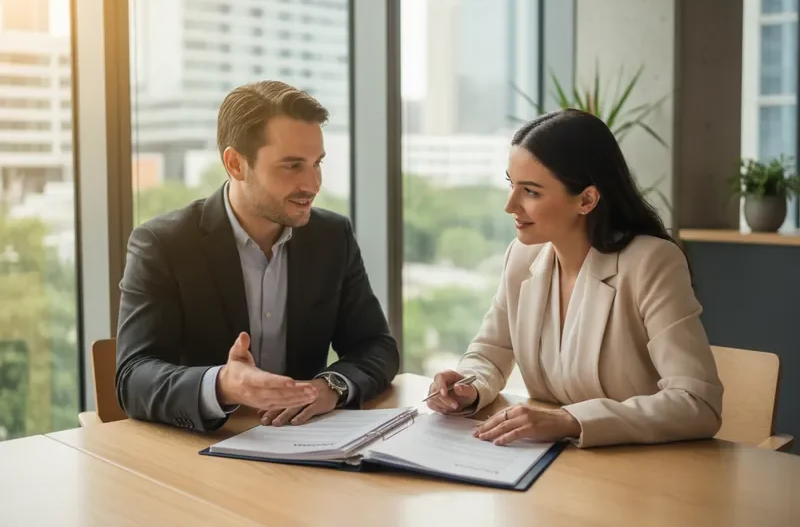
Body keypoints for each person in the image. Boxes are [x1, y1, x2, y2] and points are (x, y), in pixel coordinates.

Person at [427, 109, 723, 448]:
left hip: (637, 464)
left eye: (531, 191)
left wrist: (572, 421)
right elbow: (491, 351)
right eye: (512, 185)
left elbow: (698, 403)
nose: (510, 205)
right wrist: (468, 385)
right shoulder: (522, 257)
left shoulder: (651, 263)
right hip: (548, 461)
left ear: (586, 199)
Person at [116, 80, 399, 432]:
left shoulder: (331, 237)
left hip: (304, 444)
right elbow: (133, 377)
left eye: (316, 163)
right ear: (236, 164)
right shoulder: (163, 244)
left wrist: (329, 388)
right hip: (202, 446)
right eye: (292, 166)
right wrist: (223, 384)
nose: (313, 184)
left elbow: (376, 345)